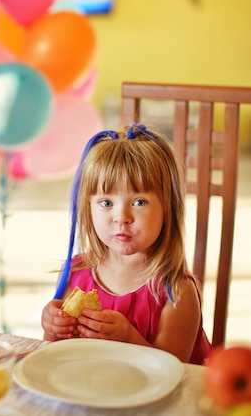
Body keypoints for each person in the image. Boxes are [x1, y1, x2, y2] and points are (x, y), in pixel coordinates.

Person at [41, 124, 211, 365]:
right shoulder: (74, 273)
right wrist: (52, 326)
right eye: (106, 203)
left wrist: (129, 338)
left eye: (140, 202)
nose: (121, 217)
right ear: (88, 208)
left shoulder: (177, 292)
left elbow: (175, 371)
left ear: (167, 208)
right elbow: (56, 353)